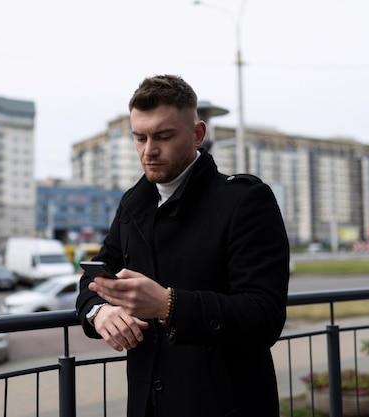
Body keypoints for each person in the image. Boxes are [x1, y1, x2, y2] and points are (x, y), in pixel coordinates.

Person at [76, 74, 290, 417]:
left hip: (225, 405)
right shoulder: (133, 205)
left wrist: (169, 304)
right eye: (139, 137)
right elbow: (92, 279)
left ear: (198, 134)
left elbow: (264, 316)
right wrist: (100, 312)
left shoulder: (245, 201)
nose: (149, 150)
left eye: (163, 136)